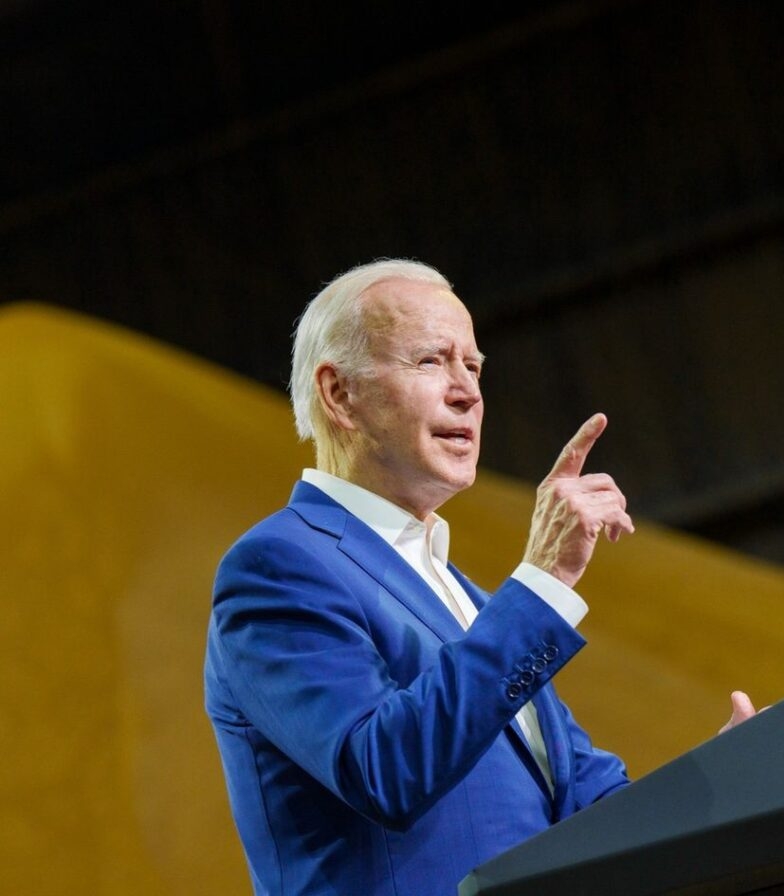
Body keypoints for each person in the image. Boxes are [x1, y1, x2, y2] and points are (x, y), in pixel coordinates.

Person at [205, 258, 754, 896]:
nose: (467, 390)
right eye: (431, 362)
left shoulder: (471, 601)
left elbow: (590, 809)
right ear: (339, 394)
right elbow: (384, 770)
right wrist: (543, 579)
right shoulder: (280, 566)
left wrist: (725, 775)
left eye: (474, 366)